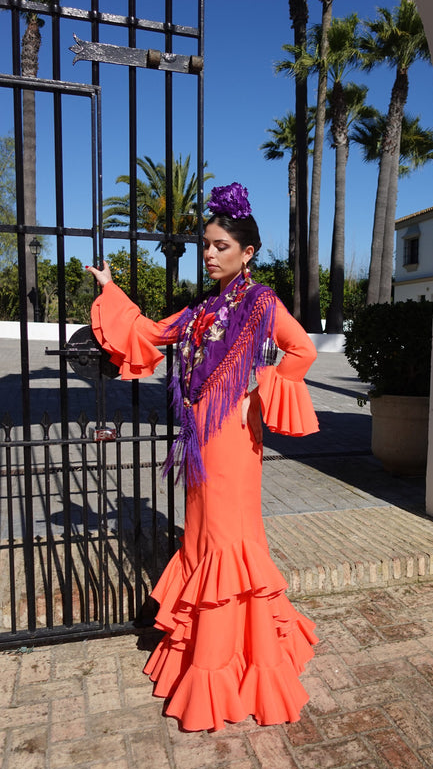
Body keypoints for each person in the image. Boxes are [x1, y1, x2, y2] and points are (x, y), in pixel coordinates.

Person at [87, 182, 319, 732]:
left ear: (248, 252)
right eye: (207, 246)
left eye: (220, 246)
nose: (210, 254)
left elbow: (302, 349)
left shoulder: (262, 302)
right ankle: (219, 651)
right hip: (199, 440)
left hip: (235, 443)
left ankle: (229, 666)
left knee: (228, 541)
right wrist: (111, 290)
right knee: (204, 538)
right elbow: (148, 332)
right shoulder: (202, 309)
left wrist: (257, 390)